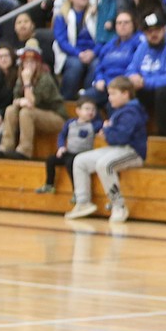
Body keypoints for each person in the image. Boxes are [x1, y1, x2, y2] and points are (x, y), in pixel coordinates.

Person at [64, 77, 148, 224]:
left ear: (126, 94)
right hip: (116, 149)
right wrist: (109, 130)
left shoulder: (132, 112)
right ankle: (83, 202)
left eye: (113, 94)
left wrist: (108, 130)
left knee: (105, 164)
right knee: (80, 160)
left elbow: (120, 137)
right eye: (109, 94)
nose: (110, 98)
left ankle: (118, 206)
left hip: (132, 152)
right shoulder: (120, 110)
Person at [0, 39, 67, 159]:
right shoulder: (22, 77)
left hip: (56, 117)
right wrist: (20, 101)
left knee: (26, 112)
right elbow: (15, 100)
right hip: (35, 113)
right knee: (10, 110)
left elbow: (31, 103)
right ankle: (5, 147)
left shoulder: (45, 78)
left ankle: (24, 151)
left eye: (32, 62)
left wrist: (27, 82)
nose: (29, 65)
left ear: (38, 64)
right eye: (26, 62)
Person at [36, 96, 101, 194]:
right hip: (69, 152)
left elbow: (103, 127)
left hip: (82, 155)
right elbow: (62, 135)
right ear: (78, 110)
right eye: (87, 109)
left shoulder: (95, 125)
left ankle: (77, 191)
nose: (90, 112)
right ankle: (49, 184)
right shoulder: (70, 123)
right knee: (51, 160)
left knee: (70, 163)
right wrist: (61, 146)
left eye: (93, 109)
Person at [86, 10, 144, 111]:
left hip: (123, 86)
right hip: (105, 85)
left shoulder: (140, 43)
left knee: (112, 104)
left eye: (126, 22)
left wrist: (117, 85)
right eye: (119, 23)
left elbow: (136, 67)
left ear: (133, 24)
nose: (122, 26)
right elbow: (99, 66)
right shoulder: (110, 44)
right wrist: (99, 79)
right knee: (85, 100)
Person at [54, 0, 99, 99]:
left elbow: (101, 39)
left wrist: (93, 52)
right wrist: (78, 54)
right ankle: (66, 99)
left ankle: (88, 98)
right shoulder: (61, 16)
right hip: (71, 53)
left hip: (92, 52)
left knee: (97, 65)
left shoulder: (95, 14)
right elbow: (61, 41)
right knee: (75, 65)